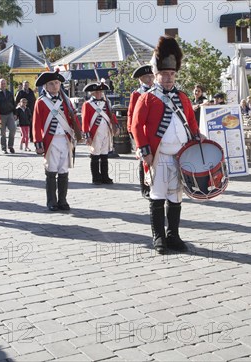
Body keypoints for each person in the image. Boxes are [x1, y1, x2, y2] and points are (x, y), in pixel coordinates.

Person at [132, 36, 203, 254]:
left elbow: (191, 121)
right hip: (159, 156)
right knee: (157, 195)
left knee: (176, 197)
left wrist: (197, 135)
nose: (168, 78)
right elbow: (136, 125)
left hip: (180, 156)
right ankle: (158, 237)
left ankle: (173, 236)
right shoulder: (147, 98)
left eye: (171, 74)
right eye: (163, 74)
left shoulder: (183, 97)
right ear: (156, 75)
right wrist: (146, 153)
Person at [33, 68, 79, 211]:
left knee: (63, 170)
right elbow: (36, 124)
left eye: (57, 83)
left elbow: (73, 119)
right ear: (45, 86)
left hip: (65, 139)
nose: (55, 86)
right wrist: (38, 143)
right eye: (52, 83)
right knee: (51, 170)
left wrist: (78, 133)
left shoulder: (65, 101)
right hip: (50, 140)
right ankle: (52, 201)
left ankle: (63, 200)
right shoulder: (41, 102)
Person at [81, 82, 118, 185]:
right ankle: (96, 177)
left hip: (106, 131)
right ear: (92, 93)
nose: (99, 94)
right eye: (97, 92)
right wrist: (87, 135)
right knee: (95, 155)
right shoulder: (87, 104)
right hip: (95, 132)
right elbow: (85, 121)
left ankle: (105, 176)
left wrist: (116, 125)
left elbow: (111, 115)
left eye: (100, 91)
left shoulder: (106, 103)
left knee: (104, 155)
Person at [127, 65, 155, 198]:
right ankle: (145, 187)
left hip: (154, 131)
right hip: (142, 132)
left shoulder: (157, 91)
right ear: (140, 80)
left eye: (151, 76)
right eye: (145, 78)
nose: (149, 79)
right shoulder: (137, 93)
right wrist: (132, 133)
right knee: (143, 159)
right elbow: (131, 114)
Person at [0, 78, 16, 153]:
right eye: (1, 83)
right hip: (0, 115)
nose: (3, 85)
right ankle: (4, 148)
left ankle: (10, 146)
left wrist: (15, 113)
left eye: (4, 83)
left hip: (10, 114)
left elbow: (13, 103)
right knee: (2, 132)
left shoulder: (9, 93)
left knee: (13, 129)